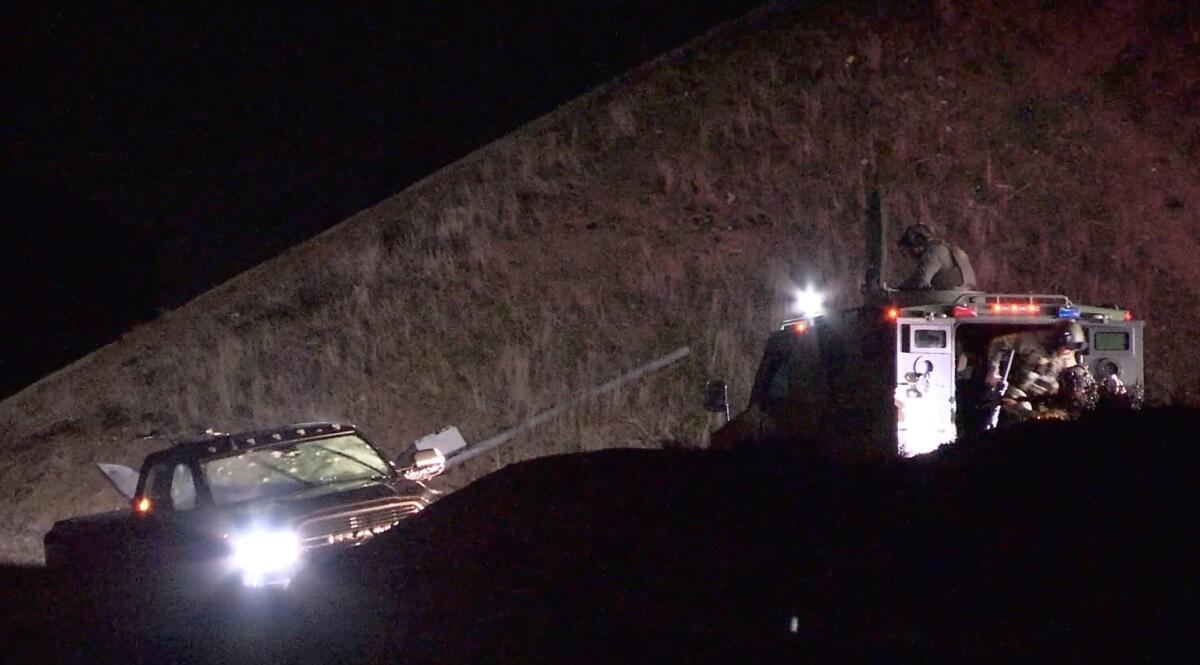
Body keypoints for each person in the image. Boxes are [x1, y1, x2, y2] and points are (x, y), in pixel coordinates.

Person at [985, 321, 1095, 422]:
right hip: (1018, 391)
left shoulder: (1069, 354)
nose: (1069, 351)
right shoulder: (1031, 341)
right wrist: (993, 369)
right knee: (1023, 408)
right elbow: (998, 343)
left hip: (1045, 398)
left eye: (1073, 349)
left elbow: (1072, 373)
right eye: (1067, 347)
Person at [897, 224, 978, 290]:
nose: (910, 254)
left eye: (910, 250)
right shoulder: (946, 248)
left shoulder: (934, 251)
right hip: (966, 295)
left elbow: (921, 280)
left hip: (946, 299)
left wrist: (901, 288)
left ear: (917, 244)